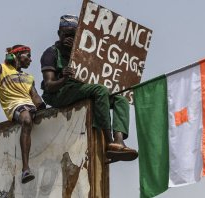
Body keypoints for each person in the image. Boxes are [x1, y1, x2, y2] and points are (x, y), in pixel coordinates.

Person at [40, 15, 138, 163]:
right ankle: (109, 141)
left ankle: (119, 141)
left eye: (73, 35)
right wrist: (63, 78)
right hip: (59, 92)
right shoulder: (51, 53)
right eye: (65, 35)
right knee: (100, 91)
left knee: (121, 98)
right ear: (59, 34)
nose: (69, 38)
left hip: (79, 88)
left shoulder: (84, 51)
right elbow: (48, 86)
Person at [0, 45, 46, 183]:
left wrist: (44, 108)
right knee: (26, 120)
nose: (30, 60)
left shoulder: (29, 77)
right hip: (14, 106)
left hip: (29, 106)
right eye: (28, 55)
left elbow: (35, 97)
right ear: (17, 55)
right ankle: (25, 169)